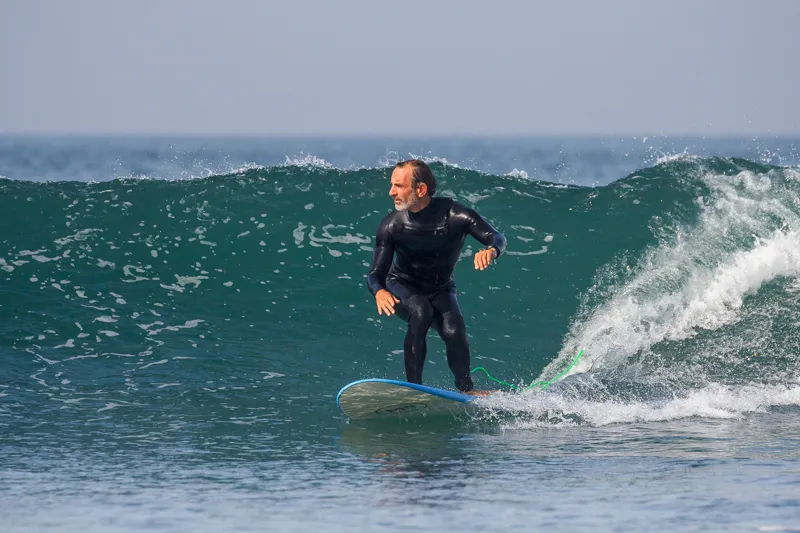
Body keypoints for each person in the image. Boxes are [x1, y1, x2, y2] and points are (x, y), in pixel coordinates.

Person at [367, 159, 507, 394]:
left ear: (420, 190)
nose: (391, 191)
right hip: (400, 285)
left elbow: (496, 237)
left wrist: (492, 251)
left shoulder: (454, 215)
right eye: (392, 185)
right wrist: (379, 291)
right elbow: (375, 274)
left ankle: (466, 389)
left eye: (399, 186)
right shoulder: (391, 225)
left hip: (440, 287)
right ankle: (414, 389)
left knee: (455, 331)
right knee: (420, 311)